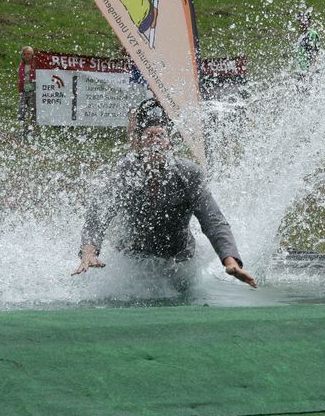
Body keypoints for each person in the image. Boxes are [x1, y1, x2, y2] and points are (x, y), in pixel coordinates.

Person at [72, 100, 257, 288]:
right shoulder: (126, 173)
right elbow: (99, 215)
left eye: (161, 135)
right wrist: (89, 252)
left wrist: (230, 261)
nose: (155, 141)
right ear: (139, 143)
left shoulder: (189, 174)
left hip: (179, 259)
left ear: (170, 144)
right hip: (135, 259)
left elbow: (213, 220)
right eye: (149, 136)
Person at [17, 46, 37, 139]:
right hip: (24, 91)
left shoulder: (36, 64)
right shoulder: (22, 65)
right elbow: (21, 78)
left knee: (33, 111)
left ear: (32, 54)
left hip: (33, 91)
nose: (27, 56)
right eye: (24, 54)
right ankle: (24, 129)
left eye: (29, 53)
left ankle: (33, 130)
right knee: (21, 111)